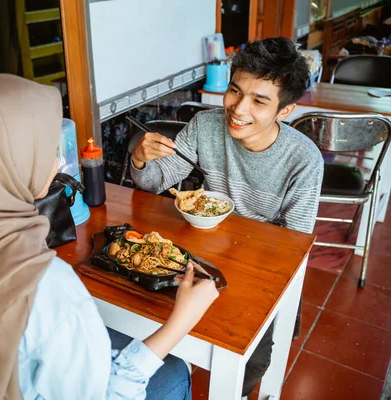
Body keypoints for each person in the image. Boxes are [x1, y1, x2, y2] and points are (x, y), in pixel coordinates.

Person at [0, 74, 220, 400]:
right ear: (5, 167)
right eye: (44, 149)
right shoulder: (46, 285)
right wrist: (181, 321)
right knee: (175, 371)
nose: (58, 160)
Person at [130, 37, 324, 396]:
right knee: (139, 303)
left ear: (285, 110)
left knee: (251, 359)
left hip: (262, 267)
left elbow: (293, 245)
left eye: (259, 100)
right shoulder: (206, 126)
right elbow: (154, 181)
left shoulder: (303, 160)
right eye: (235, 91)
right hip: (202, 251)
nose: (238, 108)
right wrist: (141, 159)